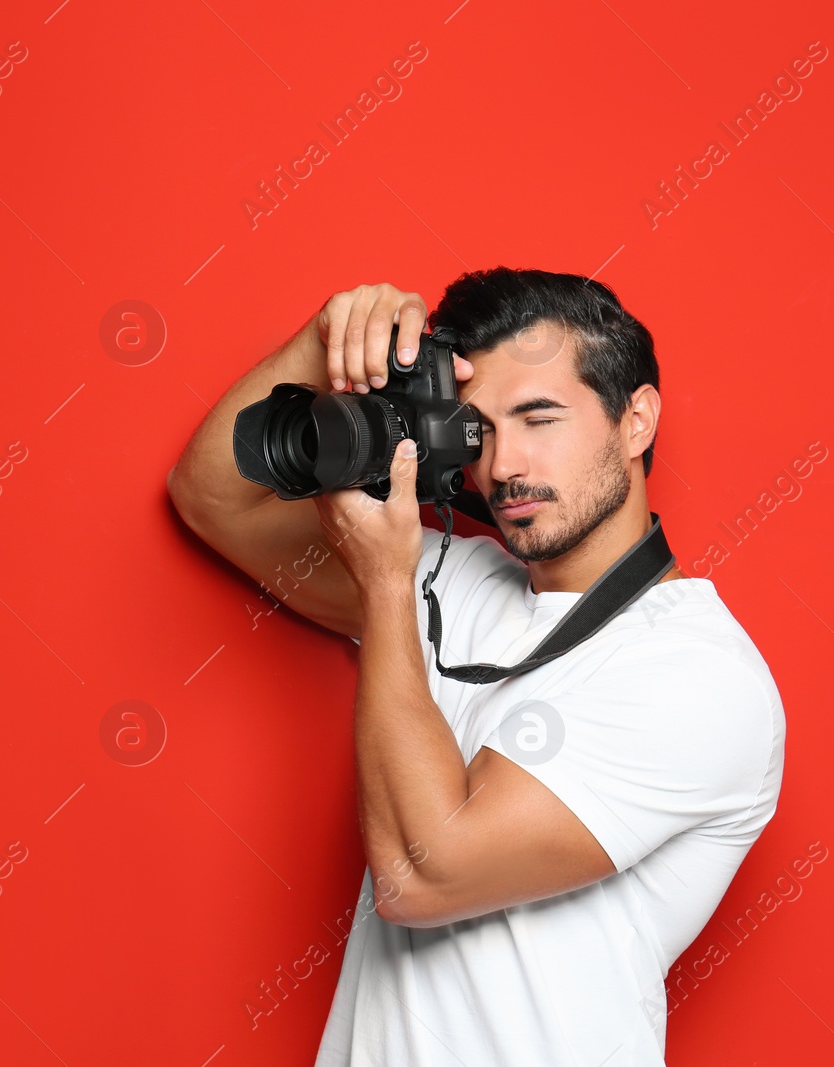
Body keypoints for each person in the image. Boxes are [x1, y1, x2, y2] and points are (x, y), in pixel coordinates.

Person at [167, 269, 785, 1066]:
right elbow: (212, 497)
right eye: (481, 428)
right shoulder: (453, 578)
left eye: (539, 416)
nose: (504, 466)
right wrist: (325, 342)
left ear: (637, 420)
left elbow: (423, 876)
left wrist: (387, 584)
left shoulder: (697, 671)